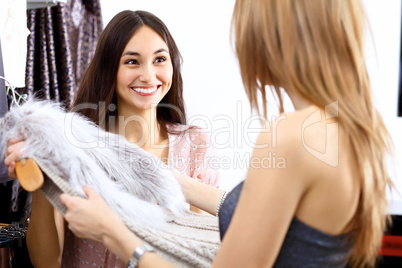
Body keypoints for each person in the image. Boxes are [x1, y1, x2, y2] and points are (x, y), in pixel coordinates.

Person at [47, 0, 395, 267]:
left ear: (278, 36)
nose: (241, 44)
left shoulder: (291, 137)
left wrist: (111, 231)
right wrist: (153, 171)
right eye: (132, 61)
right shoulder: (350, 131)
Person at [4, 10, 219, 267]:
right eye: (132, 62)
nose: (148, 75)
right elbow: (47, 262)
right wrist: (42, 181)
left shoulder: (194, 144)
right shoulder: (73, 146)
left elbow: (200, 251)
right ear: (110, 67)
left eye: (159, 59)